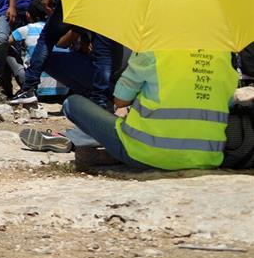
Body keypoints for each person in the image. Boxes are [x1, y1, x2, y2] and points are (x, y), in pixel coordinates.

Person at [53, 50, 238, 170]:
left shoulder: (154, 50)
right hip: (207, 158)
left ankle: (81, 139)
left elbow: (120, 100)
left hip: (145, 155)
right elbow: (227, 102)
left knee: (73, 103)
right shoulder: (223, 56)